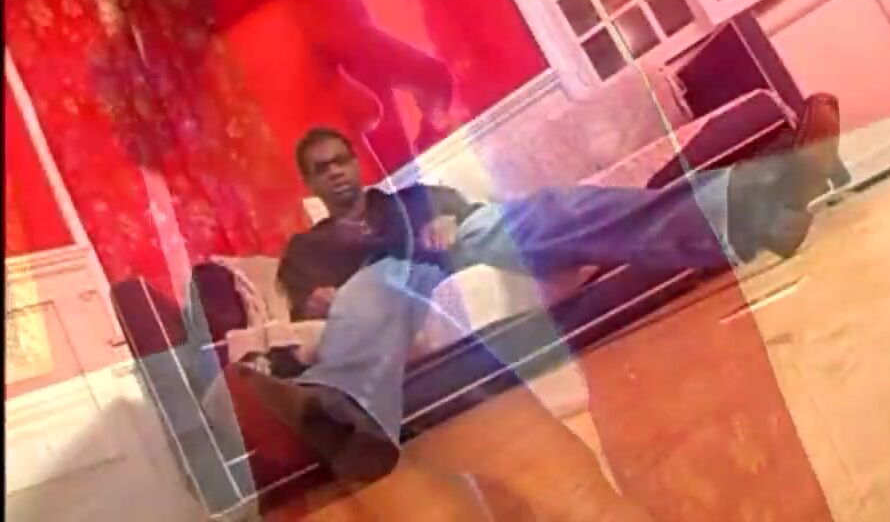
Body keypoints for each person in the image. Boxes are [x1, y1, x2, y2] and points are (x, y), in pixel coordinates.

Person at [237, 94, 844, 519]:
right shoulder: (307, 250)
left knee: (530, 215)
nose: (336, 174)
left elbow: (468, 213)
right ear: (310, 184)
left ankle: (748, 205)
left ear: (356, 161)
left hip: (456, 256)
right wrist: (335, 295)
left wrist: (453, 220)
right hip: (396, 294)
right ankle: (336, 408)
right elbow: (319, 308)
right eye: (322, 170)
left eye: (341, 160)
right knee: (379, 285)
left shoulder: (410, 197)